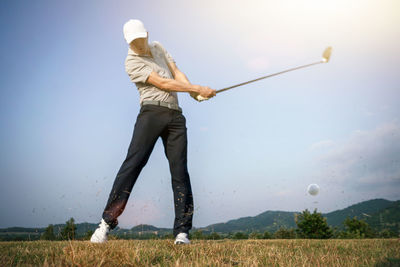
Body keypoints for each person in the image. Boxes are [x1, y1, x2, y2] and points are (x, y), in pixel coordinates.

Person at [90, 19, 216, 245]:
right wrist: (197, 88)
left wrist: (194, 95)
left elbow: (176, 73)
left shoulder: (158, 47)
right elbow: (163, 83)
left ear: (146, 34)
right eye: (132, 41)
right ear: (127, 41)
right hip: (151, 114)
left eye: (140, 39)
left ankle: (182, 233)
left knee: (180, 172)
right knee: (133, 165)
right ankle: (105, 224)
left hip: (175, 115)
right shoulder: (131, 61)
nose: (137, 44)